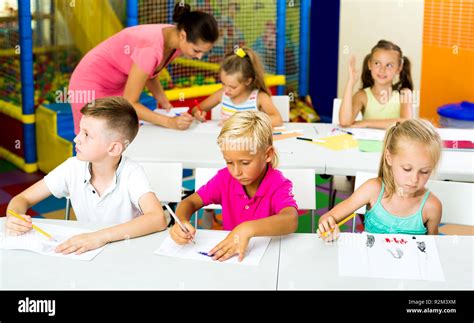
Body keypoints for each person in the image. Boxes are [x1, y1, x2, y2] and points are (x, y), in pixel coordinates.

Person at [5, 97, 167, 254]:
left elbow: (157, 218)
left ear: (113, 149)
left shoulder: (132, 173)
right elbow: (21, 200)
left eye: (87, 134)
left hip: (125, 253)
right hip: (86, 254)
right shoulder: (72, 167)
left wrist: (99, 237)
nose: (76, 139)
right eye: (80, 131)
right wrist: (15, 216)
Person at [68, 2, 219, 134]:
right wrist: (169, 122)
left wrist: (165, 104)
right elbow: (130, 102)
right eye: (197, 51)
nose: (199, 57)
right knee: (96, 142)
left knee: (121, 140)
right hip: (90, 84)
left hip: (116, 84)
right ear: (183, 36)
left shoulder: (174, 39)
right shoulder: (151, 48)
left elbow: (150, 73)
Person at [170, 111, 298, 261]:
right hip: (232, 261)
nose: (236, 172)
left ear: (267, 154)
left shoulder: (277, 183)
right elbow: (189, 202)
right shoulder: (225, 179)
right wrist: (181, 221)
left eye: (245, 163)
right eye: (229, 162)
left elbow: (291, 219)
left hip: (270, 259)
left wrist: (247, 228)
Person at [318, 119, 443, 241]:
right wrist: (328, 228)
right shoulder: (373, 190)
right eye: (407, 169)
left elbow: (432, 248)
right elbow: (326, 218)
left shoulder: (431, 207)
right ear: (389, 158)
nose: (414, 179)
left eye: (424, 171)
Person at [190, 47, 283, 127]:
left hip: (250, 144)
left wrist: (244, 123)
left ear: (247, 81)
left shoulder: (259, 97)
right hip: (225, 143)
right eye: (223, 83)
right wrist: (198, 114)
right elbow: (195, 110)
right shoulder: (221, 94)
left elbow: (277, 119)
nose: (226, 90)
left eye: (232, 87)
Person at [339, 40, 414, 129]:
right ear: (370, 64)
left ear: (399, 68)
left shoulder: (404, 94)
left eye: (389, 65)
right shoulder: (362, 96)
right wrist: (350, 82)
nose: (382, 69)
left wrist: (366, 123)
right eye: (377, 63)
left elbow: (406, 123)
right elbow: (344, 122)